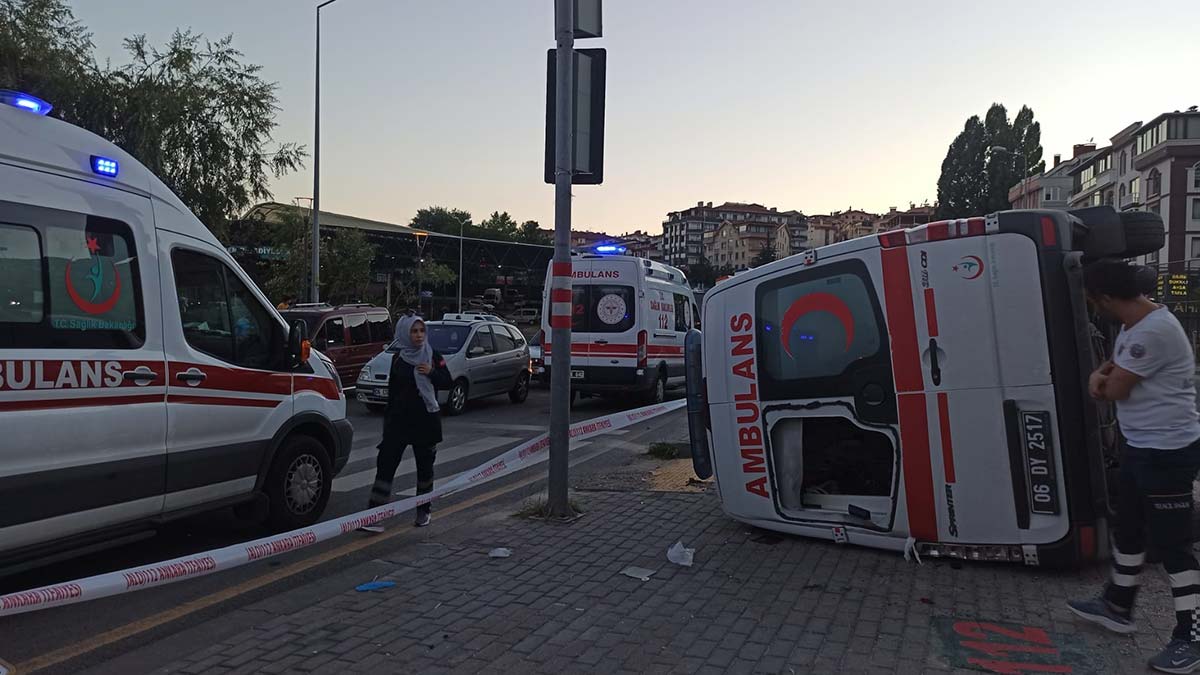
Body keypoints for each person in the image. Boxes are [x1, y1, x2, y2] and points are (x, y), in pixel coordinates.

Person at [1068, 259, 1200, 673]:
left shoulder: (1153, 333)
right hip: (1142, 446)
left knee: (1175, 547)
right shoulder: (1134, 326)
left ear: (1106, 298)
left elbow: (1111, 388)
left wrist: (1097, 382)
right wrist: (1104, 376)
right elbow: (1113, 369)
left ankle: (1191, 640)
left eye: (1094, 300)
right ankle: (1117, 605)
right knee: (1128, 529)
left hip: (1167, 451)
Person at [364, 314, 451, 529]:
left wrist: (432, 373)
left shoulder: (432, 356)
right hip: (399, 422)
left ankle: (423, 511)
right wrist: (387, 426)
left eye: (422, 331)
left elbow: (447, 381)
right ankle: (375, 516)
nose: (419, 335)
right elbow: (392, 394)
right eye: (414, 331)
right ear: (405, 333)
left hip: (425, 420)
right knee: (385, 466)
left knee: (424, 469)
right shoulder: (398, 359)